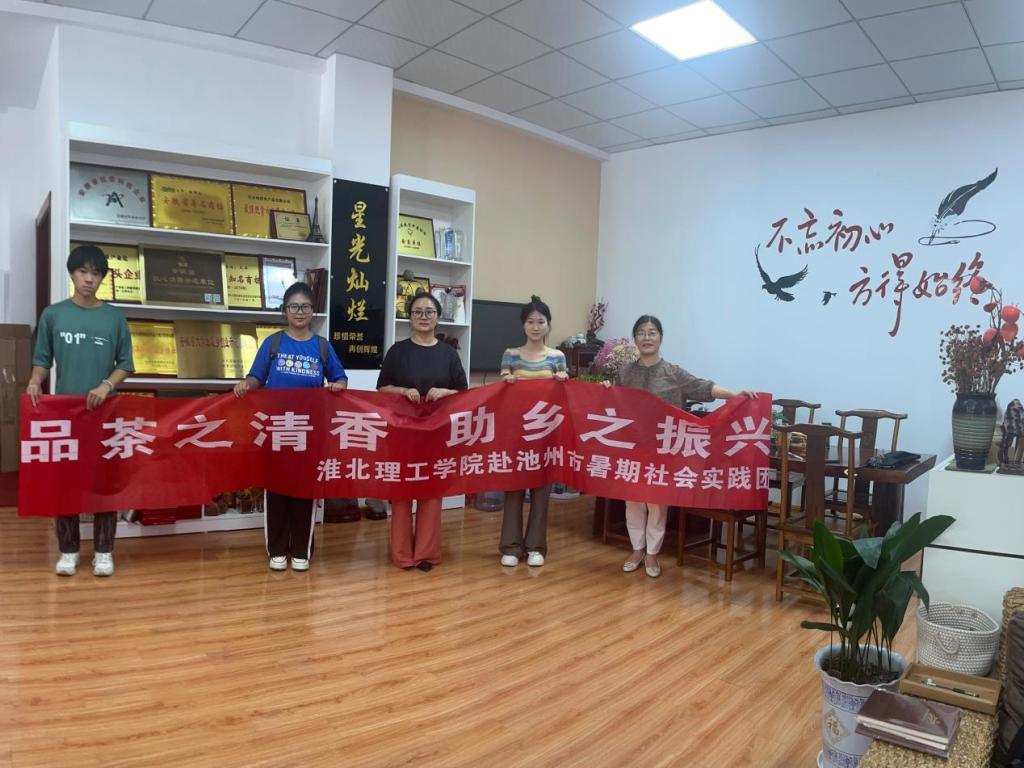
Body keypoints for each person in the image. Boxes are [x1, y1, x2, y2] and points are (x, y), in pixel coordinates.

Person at [605, 314, 757, 578]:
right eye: (641, 333)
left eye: (652, 332)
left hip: (663, 448)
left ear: (660, 338)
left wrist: (734, 395)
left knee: (657, 502)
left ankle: (652, 553)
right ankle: (636, 549)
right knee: (633, 501)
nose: (647, 337)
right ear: (635, 339)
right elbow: (612, 401)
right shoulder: (625, 373)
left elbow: (703, 387)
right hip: (632, 446)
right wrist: (605, 389)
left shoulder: (673, 373)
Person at [26, 244, 135, 577]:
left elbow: (126, 364)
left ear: (102, 278)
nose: (89, 279)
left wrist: (106, 385)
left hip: (104, 414)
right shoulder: (54, 315)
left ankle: (104, 551)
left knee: (104, 483)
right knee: (67, 484)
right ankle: (68, 550)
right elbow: (42, 360)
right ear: (72, 274)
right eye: (83, 271)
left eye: (96, 273)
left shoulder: (114, 317)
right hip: (65, 415)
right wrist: (35, 381)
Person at [234, 282, 347, 571]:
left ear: (312, 311)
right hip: (276, 430)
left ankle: (301, 550)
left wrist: (337, 386)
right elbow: (256, 377)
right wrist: (246, 384)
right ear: (285, 310)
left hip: (309, 432)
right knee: (276, 489)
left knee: (304, 490)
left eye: (305, 306)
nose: (299, 311)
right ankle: (277, 550)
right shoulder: (273, 343)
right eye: (294, 306)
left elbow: (340, 378)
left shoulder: (321, 346)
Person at [377, 290, 467, 572]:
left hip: (436, 433)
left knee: (431, 491)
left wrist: (444, 392)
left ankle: (426, 553)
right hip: (402, 433)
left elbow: (463, 393)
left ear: (438, 318)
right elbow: (382, 388)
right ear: (410, 318)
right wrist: (403, 391)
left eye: (429, 312)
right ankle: (402, 554)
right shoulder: (397, 351)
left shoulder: (448, 354)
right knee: (401, 492)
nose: (423, 317)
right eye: (417, 312)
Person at [498, 295, 568, 568]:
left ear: (548, 325)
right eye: (530, 322)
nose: (536, 327)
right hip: (516, 431)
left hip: (545, 433)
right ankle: (511, 547)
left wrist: (563, 380)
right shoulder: (511, 354)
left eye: (541, 322)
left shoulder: (557, 357)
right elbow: (501, 391)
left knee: (541, 490)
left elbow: (564, 396)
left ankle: (536, 547)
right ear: (523, 325)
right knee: (513, 488)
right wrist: (507, 381)